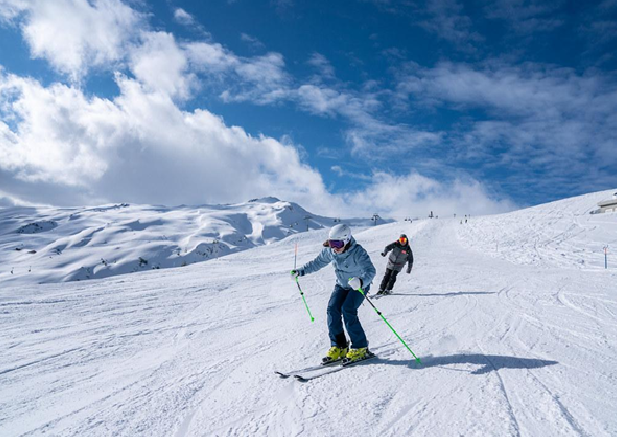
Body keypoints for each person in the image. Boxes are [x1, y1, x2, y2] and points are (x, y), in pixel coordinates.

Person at [291, 224, 376, 363]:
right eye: (332, 243)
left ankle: (360, 347)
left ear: (347, 240)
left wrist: (361, 281)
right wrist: (301, 271)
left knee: (348, 309)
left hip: (358, 285)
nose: (335, 247)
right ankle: (339, 346)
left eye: (338, 243)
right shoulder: (330, 251)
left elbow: (370, 271)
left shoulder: (358, 252)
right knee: (332, 309)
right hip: (342, 285)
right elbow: (317, 263)